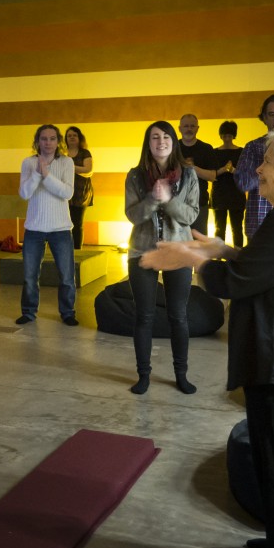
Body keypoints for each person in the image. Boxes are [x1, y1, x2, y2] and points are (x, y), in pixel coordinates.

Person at [140, 121, 274, 548]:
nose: (259, 169)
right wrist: (221, 248)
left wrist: (194, 260)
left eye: (268, 161)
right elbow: (262, 266)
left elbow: (235, 282)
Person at [125, 121, 199, 395]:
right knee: (143, 316)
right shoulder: (134, 175)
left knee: (178, 316)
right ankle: (143, 375)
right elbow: (133, 215)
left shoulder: (189, 175)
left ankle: (181, 374)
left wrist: (168, 199)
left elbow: (190, 216)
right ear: (148, 143)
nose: (160, 141)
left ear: (173, 141)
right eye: (154, 137)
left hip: (178, 251)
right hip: (142, 251)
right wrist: (153, 200)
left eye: (165, 136)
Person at [16, 124, 78, 327]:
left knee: (67, 276)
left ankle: (68, 312)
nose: (48, 143)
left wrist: (47, 176)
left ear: (58, 141)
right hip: (34, 228)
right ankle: (29, 312)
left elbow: (67, 193)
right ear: (37, 141)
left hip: (60, 229)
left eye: (52, 139)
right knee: (29, 276)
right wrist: (37, 173)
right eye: (44, 139)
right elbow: (25, 193)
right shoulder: (28, 162)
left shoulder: (67, 162)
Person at [235, 94, 274, 240]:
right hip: (259, 221)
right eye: (271, 114)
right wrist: (268, 165)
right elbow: (243, 183)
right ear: (264, 117)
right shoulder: (253, 147)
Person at [211, 121, 246, 247]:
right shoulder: (214, 152)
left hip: (237, 193)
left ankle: (237, 257)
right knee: (219, 228)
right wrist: (223, 169)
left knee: (237, 228)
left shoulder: (241, 152)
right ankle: (219, 257)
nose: (227, 138)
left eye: (229, 136)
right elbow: (211, 174)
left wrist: (232, 170)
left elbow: (244, 174)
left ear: (233, 136)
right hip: (219, 194)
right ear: (220, 136)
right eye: (224, 135)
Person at [178, 114, 214, 236]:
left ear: (197, 128)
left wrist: (193, 168)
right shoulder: (172, 148)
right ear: (180, 128)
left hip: (199, 204)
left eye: (192, 126)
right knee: (176, 244)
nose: (189, 129)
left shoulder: (206, 148)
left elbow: (212, 176)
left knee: (199, 244)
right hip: (176, 204)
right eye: (186, 126)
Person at [66, 126, 94, 249]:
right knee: (66, 224)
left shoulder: (85, 153)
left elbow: (88, 170)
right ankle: (66, 250)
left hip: (81, 192)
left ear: (79, 138)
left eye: (74, 135)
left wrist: (69, 166)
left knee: (77, 223)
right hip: (64, 191)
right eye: (69, 135)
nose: (72, 137)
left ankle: (77, 252)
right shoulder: (62, 153)